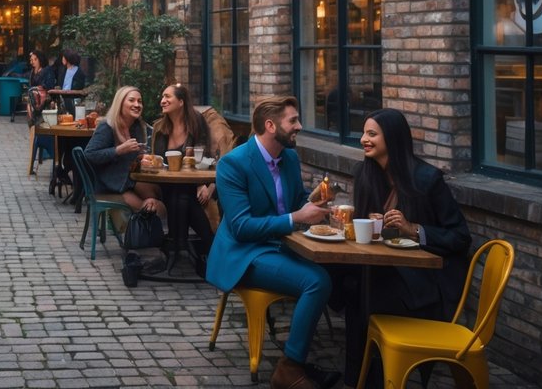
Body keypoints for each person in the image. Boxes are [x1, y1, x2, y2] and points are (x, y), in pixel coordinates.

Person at [206, 95, 339, 389]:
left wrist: (316, 201)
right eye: (293, 120)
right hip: (245, 253)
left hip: (281, 245)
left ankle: (351, 359)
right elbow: (241, 227)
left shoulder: (289, 156)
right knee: (316, 280)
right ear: (270, 125)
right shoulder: (233, 164)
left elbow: (296, 201)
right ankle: (289, 368)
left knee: (342, 270)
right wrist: (295, 218)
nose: (300, 126)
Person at [344, 108, 471, 387]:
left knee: (368, 288)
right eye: (364, 133)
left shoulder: (426, 180)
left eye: (371, 134)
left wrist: (413, 228)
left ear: (393, 138)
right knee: (348, 284)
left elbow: (460, 236)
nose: (364, 139)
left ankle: (372, 378)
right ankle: (359, 377)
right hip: (388, 270)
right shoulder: (367, 175)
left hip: (427, 283)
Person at [150, 84, 216, 265]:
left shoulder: (197, 122)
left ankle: (176, 247)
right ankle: (208, 246)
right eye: (162, 96)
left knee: (182, 196)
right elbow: (157, 160)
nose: (162, 101)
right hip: (166, 184)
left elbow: (205, 155)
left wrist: (202, 184)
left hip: (190, 184)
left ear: (181, 101)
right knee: (181, 195)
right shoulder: (160, 127)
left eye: (167, 97)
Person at [83, 86, 165, 215]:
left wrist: (141, 158)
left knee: (153, 198)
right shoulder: (108, 126)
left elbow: (144, 151)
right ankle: (151, 228)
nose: (137, 105)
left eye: (140, 101)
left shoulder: (138, 127)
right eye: (131, 100)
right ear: (120, 103)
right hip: (109, 185)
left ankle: (160, 225)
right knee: (151, 206)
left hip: (129, 181)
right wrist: (119, 150)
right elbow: (89, 155)